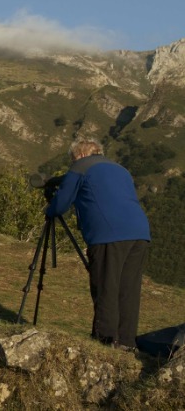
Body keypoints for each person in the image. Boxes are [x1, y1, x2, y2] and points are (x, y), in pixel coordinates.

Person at [45, 137, 151, 351]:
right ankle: (126, 342)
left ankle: (105, 340)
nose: (72, 162)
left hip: (108, 234)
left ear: (80, 154)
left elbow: (61, 205)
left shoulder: (81, 166)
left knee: (106, 286)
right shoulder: (120, 169)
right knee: (128, 289)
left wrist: (49, 208)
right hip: (140, 232)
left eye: (72, 159)